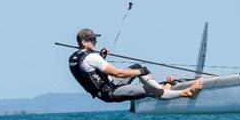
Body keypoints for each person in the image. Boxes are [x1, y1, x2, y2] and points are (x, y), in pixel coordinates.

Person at [68, 28, 203, 102]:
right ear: (84, 42)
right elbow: (117, 73)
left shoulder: (75, 57)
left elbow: (89, 71)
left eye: (95, 39)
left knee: (137, 66)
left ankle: (162, 88)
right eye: (92, 40)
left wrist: (102, 57)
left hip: (108, 85)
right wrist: (140, 73)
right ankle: (186, 92)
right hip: (111, 92)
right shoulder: (91, 57)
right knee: (147, 85)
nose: (95, 42)